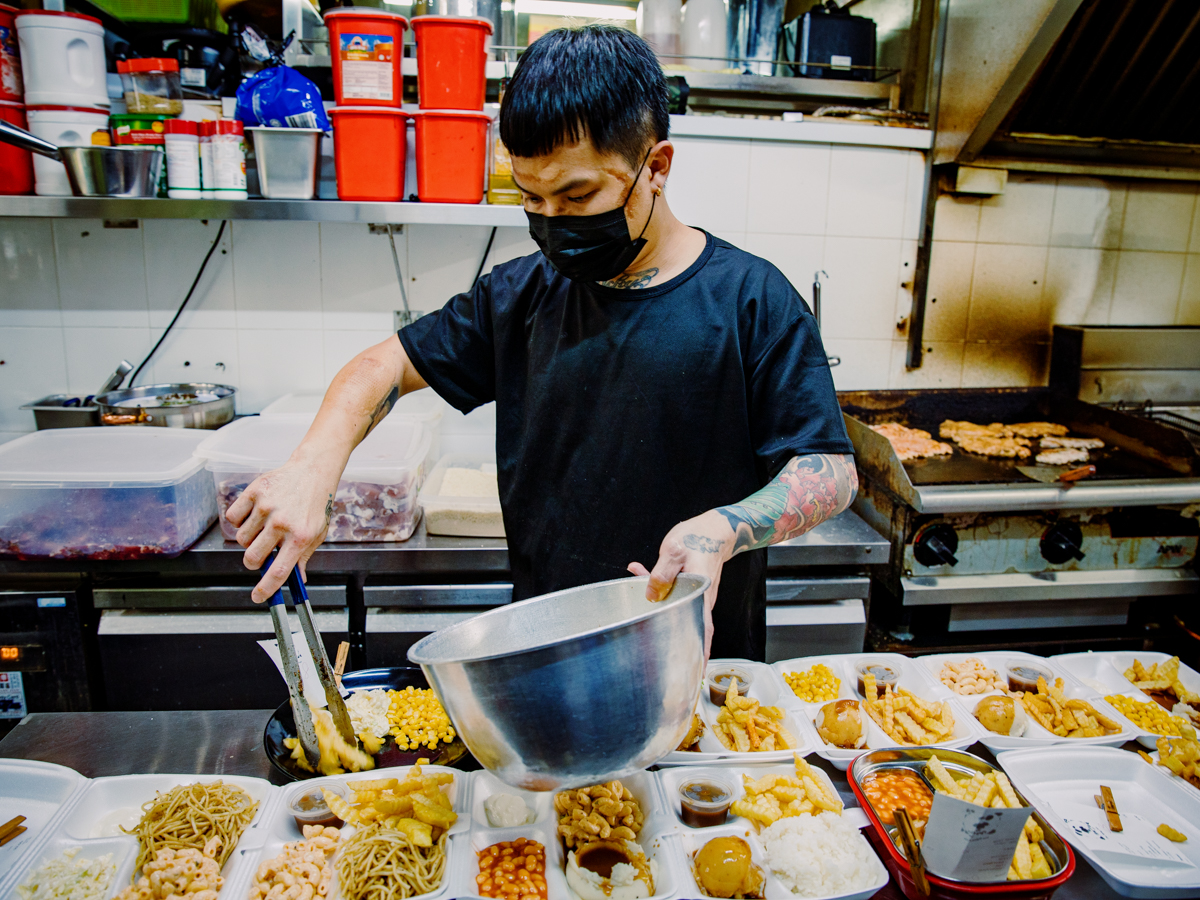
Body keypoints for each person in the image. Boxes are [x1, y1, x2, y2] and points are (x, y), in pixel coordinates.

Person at [228, 25, 857, 660]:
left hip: (700, 666)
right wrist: (313, 466)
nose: (553, 222)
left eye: (578, 194)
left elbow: (831, 470)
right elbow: (380, 366)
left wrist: (725, 528)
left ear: (657, 167)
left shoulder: (752, 299)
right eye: (533, 199)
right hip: (546, 661)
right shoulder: (520, 295)